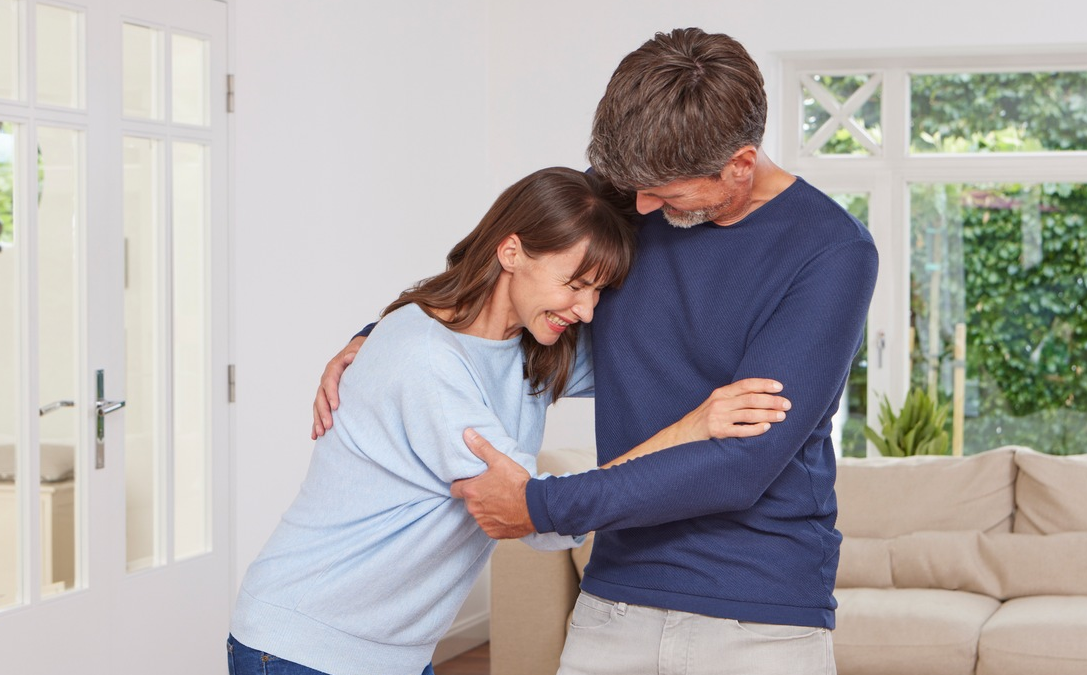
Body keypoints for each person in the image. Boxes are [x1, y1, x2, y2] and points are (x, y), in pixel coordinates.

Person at [314, 29, 878, 675]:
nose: (637, 207)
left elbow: (739, 464)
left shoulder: (832, 252)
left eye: (664, 195)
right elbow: (508, 265)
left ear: (740, 166)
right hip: (614, 600)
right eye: (632, 187)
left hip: (760, 616)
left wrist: (540, 505)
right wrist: (388, 333)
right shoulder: (634, 184)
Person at [232, 167, 791, 675]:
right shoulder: (424, 361)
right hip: (303, 641)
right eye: (575, 284)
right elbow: (538, 515)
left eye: (599, 290)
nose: (588, 311)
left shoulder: (528, 347)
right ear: (512, 251)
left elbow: (661, 360)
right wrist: (693, 428)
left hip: (388, 651)